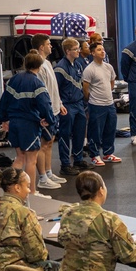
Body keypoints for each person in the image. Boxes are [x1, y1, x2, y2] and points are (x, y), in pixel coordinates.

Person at [0, 50, 55, 198]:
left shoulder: (14, 79)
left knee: (19, 158)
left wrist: (4, 119)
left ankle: (9, 192)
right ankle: (32, 193)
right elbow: (45, 104)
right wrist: (49, 119)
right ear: (40, 66)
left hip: (14, 123)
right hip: (28, 125)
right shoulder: (37, 83)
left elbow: (4, 100)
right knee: (31, 160)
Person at [30, 34, 66, 190]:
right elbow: (40, 92)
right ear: (41, 47)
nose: (51, 46)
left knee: (50, 142)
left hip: (55, 109)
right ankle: (42, 177)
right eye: (49, 44)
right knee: (43, 145)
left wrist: (60, 103)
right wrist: (44, 112)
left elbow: (53, 87)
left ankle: (49, 172)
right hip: (45, 111)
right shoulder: (39, 67)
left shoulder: (48, 64)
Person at [55, 37, 92, 176]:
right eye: (75, 49)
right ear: (67, 51)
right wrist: (60, 104)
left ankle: (78, 159)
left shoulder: (77, 65)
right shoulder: (60, 68)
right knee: (65, 135)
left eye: (78, 48)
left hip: (78, 103)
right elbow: (55, 89)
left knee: (80, 133)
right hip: (67, 105)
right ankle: (65, 164)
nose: (78, 51)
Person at [81, 43, 122, 166]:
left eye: (103, 49)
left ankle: (108, 153)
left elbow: (112, 82)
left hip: (109, 104)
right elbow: (85, 89)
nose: (102, 51)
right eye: (99, 50)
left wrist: (106, 94)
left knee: (110, 129)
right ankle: (94, 155)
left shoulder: (109, 67)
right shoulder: (89, 69)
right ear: (93, 53)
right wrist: (93, 99)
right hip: (96, 105)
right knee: (95, 132)